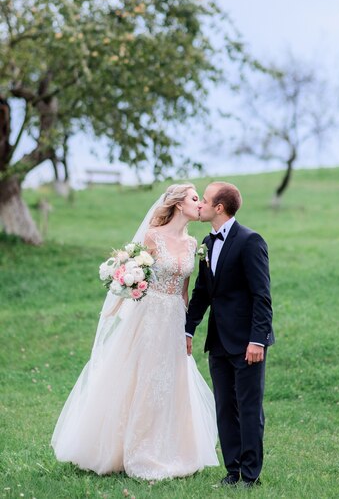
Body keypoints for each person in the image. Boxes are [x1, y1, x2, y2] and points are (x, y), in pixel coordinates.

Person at [51, 184, 219, 481]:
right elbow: (133, 272)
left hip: (174, 318)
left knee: (171, 381)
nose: (200, 204)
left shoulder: (194, 244)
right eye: (195, 198)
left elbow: (184, 291)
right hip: (149, 316)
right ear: (179, 204)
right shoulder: (153, 236)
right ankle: (135, 450)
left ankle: (171, 448)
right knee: (143, 378)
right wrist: (120, 296)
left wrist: (187, 329)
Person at [185, 181, 274, 488]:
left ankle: (251, 476)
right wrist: (188, 328)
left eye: (205, 200)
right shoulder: (206, 244)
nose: (200, 205)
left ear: (218, 208)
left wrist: (257, 339)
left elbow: (262, 295)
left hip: (248, 343)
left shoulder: (251, 241)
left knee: (249, 409)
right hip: (219, 342)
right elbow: (201, 293)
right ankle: (232, 471)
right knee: (225, 408)